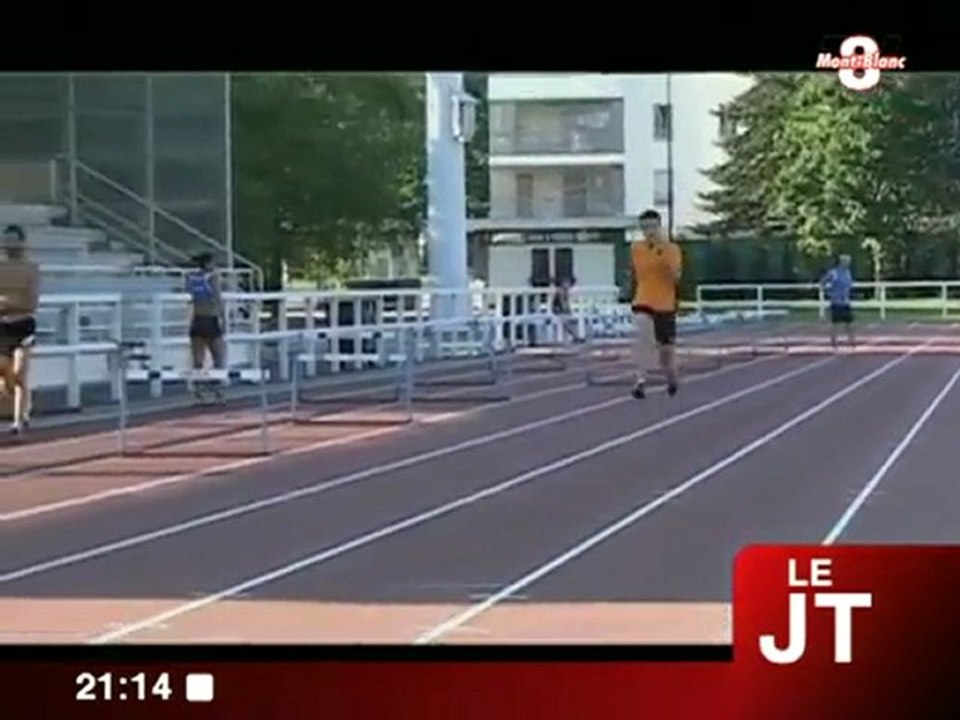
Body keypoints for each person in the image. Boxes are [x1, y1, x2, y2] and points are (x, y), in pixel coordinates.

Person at [628, 209, 682, 399]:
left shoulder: (671, 249)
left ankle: (672, 378)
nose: (649, 232)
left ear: (659, 227)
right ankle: (640, 380)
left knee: (666, 355)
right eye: (645, 228)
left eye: (652, 227)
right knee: (644, 339)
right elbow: (635, 273)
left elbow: (676, 277)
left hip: (665, 304)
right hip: (643, 300)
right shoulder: (636, 249)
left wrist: (664, 259)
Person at [0, 225, 38, 433]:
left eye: (14, 241)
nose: (10, 246)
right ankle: (23, 408)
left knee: (20, 372)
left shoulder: (31, 268)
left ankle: (19, 421)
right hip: (2, 327)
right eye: (7, 241)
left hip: (23, 325)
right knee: (6, 376)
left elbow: (31, 302)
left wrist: (7, 304)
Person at [186, 252, 227, 403]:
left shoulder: (192, 279)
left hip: (197, 320)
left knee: (198, 360)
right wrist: (224, 319)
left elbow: (190, 298)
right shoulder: (213, 278)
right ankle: (218, 391)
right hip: (211, 320)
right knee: (219, 357)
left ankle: (200, 392)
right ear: (208, 264)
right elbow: (218, 298)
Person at [821, 254, 855, 349]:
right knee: (835, 323)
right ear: (841, 262)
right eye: (846, 262)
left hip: (846, 301)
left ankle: (851, 341)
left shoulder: (848, 273)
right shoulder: (834, 272)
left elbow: (849, 285)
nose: (848, 264)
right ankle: (834, 341)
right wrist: (829, 292)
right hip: (836, 302)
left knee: (849, 323)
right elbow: (823, 282)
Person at [551, 276, 580, 343]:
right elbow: (560, 304)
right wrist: (564, 311)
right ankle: (575, 336)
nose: (568, 285)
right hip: (558, 312)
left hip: (564, 312)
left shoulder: (567, 292)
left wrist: (569, 311)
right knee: (566, 322)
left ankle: (575, 336)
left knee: (571, 321)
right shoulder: (559, 292)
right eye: (566, 283)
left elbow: (567, 305)